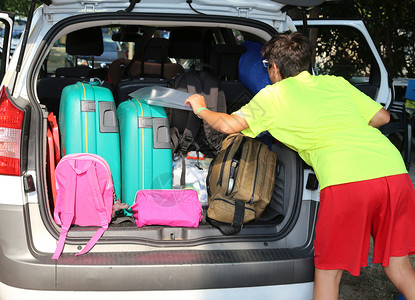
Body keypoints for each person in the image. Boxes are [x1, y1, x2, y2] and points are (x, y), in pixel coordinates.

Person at [184, 32, 415, 300]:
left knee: (329, 273)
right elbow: (382, 117)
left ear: (275, 68)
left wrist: (200, 107)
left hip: (346, 182)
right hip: (394, 173)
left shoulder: (273, 96)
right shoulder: (335, 83)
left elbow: (226, 125)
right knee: (399, 266)